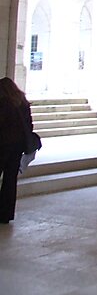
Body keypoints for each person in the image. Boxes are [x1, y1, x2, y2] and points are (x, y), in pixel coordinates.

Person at [0, 77, 32, 223]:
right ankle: (6, 214)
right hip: (17, 146)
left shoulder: (3, 102)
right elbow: (29, 124)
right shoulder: (22, 102)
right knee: (10, 180)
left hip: (3, 144)